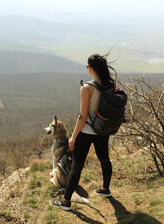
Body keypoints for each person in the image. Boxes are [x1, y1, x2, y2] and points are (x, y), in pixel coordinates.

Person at [50, 53, 116, 211]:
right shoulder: (110, 85)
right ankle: (105, 189)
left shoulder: (87, 88)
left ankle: (66, 201)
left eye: (87, 67)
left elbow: (83, 116)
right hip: (103, 130)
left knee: (77, 166)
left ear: (90, 68)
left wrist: (73, 137)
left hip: (86, 131)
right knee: (104, 159)